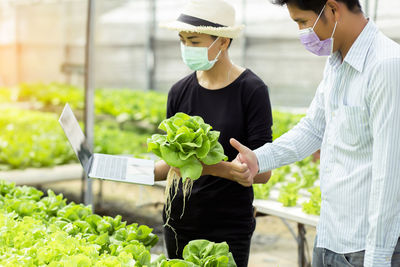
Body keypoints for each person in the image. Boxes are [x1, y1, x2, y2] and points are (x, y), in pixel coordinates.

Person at [229, 0, 400, 266]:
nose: (302, 33)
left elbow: (390, 173)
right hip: (330, 235)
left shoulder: (386, 66)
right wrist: (259, 159)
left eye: (302, 21)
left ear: (332, 9)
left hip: (366, 248)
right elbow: (312, 129)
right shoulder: (336, 62)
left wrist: (378, 258)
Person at [154, 0, 273, 266]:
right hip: (178, 221)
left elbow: (263, 172)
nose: (186, 48)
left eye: (194, 41)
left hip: (228, 227)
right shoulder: (179, 91)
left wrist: (223, 169)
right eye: (182, 40)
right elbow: (170, 163)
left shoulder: (251, 91)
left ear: (222, 41)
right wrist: (120, 169)